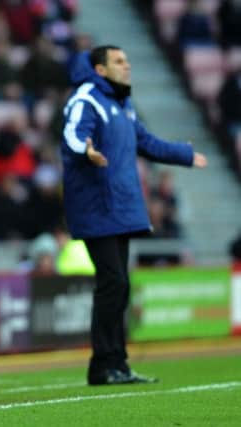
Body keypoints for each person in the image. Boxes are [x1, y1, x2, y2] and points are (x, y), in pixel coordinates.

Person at [61, 45, 207, 386]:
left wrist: (184, 154)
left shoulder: (122, 104)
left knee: (119, 286)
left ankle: (118, 364)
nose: (127, 66)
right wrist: (86, 149)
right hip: (96, 205)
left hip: (121, 206)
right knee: (113, 283)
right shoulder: (87, 98)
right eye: (119, 61)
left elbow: (148, 143)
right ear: (100, 69)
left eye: (127, 60)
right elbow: (72, 133)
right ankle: (102, 366)